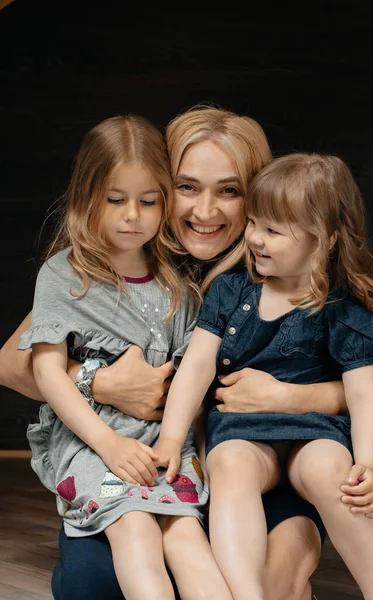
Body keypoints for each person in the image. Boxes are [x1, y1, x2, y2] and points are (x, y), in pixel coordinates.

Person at [0, 106, 373, 600]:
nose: (205, 211)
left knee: (274, 579)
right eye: (187, 187)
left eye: (229, 191)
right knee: (97, 583)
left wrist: (288, 398)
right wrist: (100, 381)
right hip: (157, 459)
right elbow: (10, 362)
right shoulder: (125, 255)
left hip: (260, 461)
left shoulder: (287, 277)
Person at [156, 152, 373, 600]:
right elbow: (197, 366)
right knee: (229, 466)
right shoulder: (231, 291)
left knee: (334, 471)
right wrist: (171, 437)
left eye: (273, 230)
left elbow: (366, 398)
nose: (254, 239)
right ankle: (245, 592)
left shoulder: (342, 309)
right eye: (253, 223)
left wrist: (366, 465)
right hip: (244, 432)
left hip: (314, 433)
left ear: (324, 240)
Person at [17, 114, 234, 600]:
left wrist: (182, 447)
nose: (132, 215)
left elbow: (189, 384)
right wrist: (109, 444)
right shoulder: (64, 275)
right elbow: (47, 374)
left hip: (164, 445)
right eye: (115, 200)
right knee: (134, 529)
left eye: (148, 201)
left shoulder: (178, 286)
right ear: (86, 197)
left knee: (187, 541)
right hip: (93, 444)